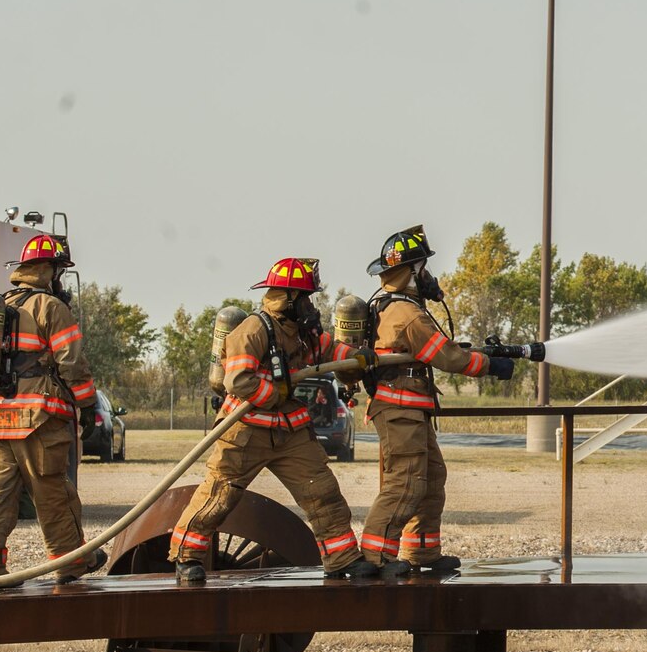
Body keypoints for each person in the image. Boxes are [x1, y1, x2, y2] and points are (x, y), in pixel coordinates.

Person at [166, 257, 364, 585]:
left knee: (323, 491)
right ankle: (187, 557)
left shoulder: (301, 332)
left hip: (289, 433)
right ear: (288, 299)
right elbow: (238, 381)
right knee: (219, 495)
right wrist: (276, 391)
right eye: (305, 298)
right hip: (246, 431)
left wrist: (360, 356)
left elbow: (331, 351)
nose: (310, 306)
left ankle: (342, 557)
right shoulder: (254, 329)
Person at [351, 225, 512, 576]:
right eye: (424, 268)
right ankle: (376, 560)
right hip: (399, 410)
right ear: (411, 273)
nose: (429, 277)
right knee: (405, 483)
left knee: (431, 478)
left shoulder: (395, 306)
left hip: (411, 410)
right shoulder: (407, 314)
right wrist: (490, 365)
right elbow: (447, 357)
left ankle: (422, 553)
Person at [0, 234, 100, 582]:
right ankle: (70, 563)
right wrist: (87, 406)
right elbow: (72, 362)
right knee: (53, 492)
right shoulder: (50, 307)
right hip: (37, 419)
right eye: (58, 271)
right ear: (49, 271)